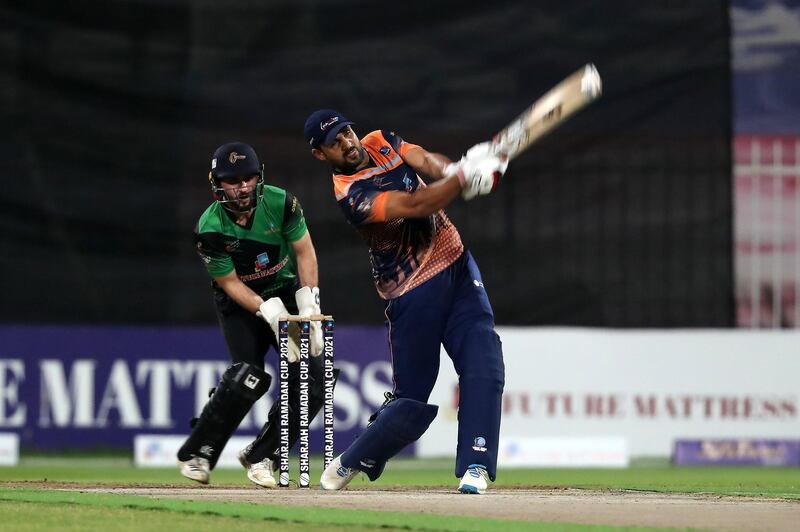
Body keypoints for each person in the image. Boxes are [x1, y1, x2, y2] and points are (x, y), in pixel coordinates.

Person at [304, 110, 507, 494]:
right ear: (321, 154)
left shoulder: (380, 140)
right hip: (412, 292)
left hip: (458, 266)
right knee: (411, 403)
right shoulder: (352, 195)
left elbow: (428, 162)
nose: (349, 142)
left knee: (484, 361)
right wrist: (464, 179)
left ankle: (476, 465)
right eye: (336, 142)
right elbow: (418, 205)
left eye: (347, 131)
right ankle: (356, 458)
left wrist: (461, 167)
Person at [177, 141, 335, 488]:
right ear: (217, 183)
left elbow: (305, 252)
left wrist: (309, 303)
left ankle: (263, 455)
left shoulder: (282, 203)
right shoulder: (210, 228)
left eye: (249, 177)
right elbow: (229, 282)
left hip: (284, 288)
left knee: (317, 378)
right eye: (233, 180)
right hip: (239, 303)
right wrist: (266, 310)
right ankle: (199, 453)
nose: (243, 186)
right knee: (248, 376)